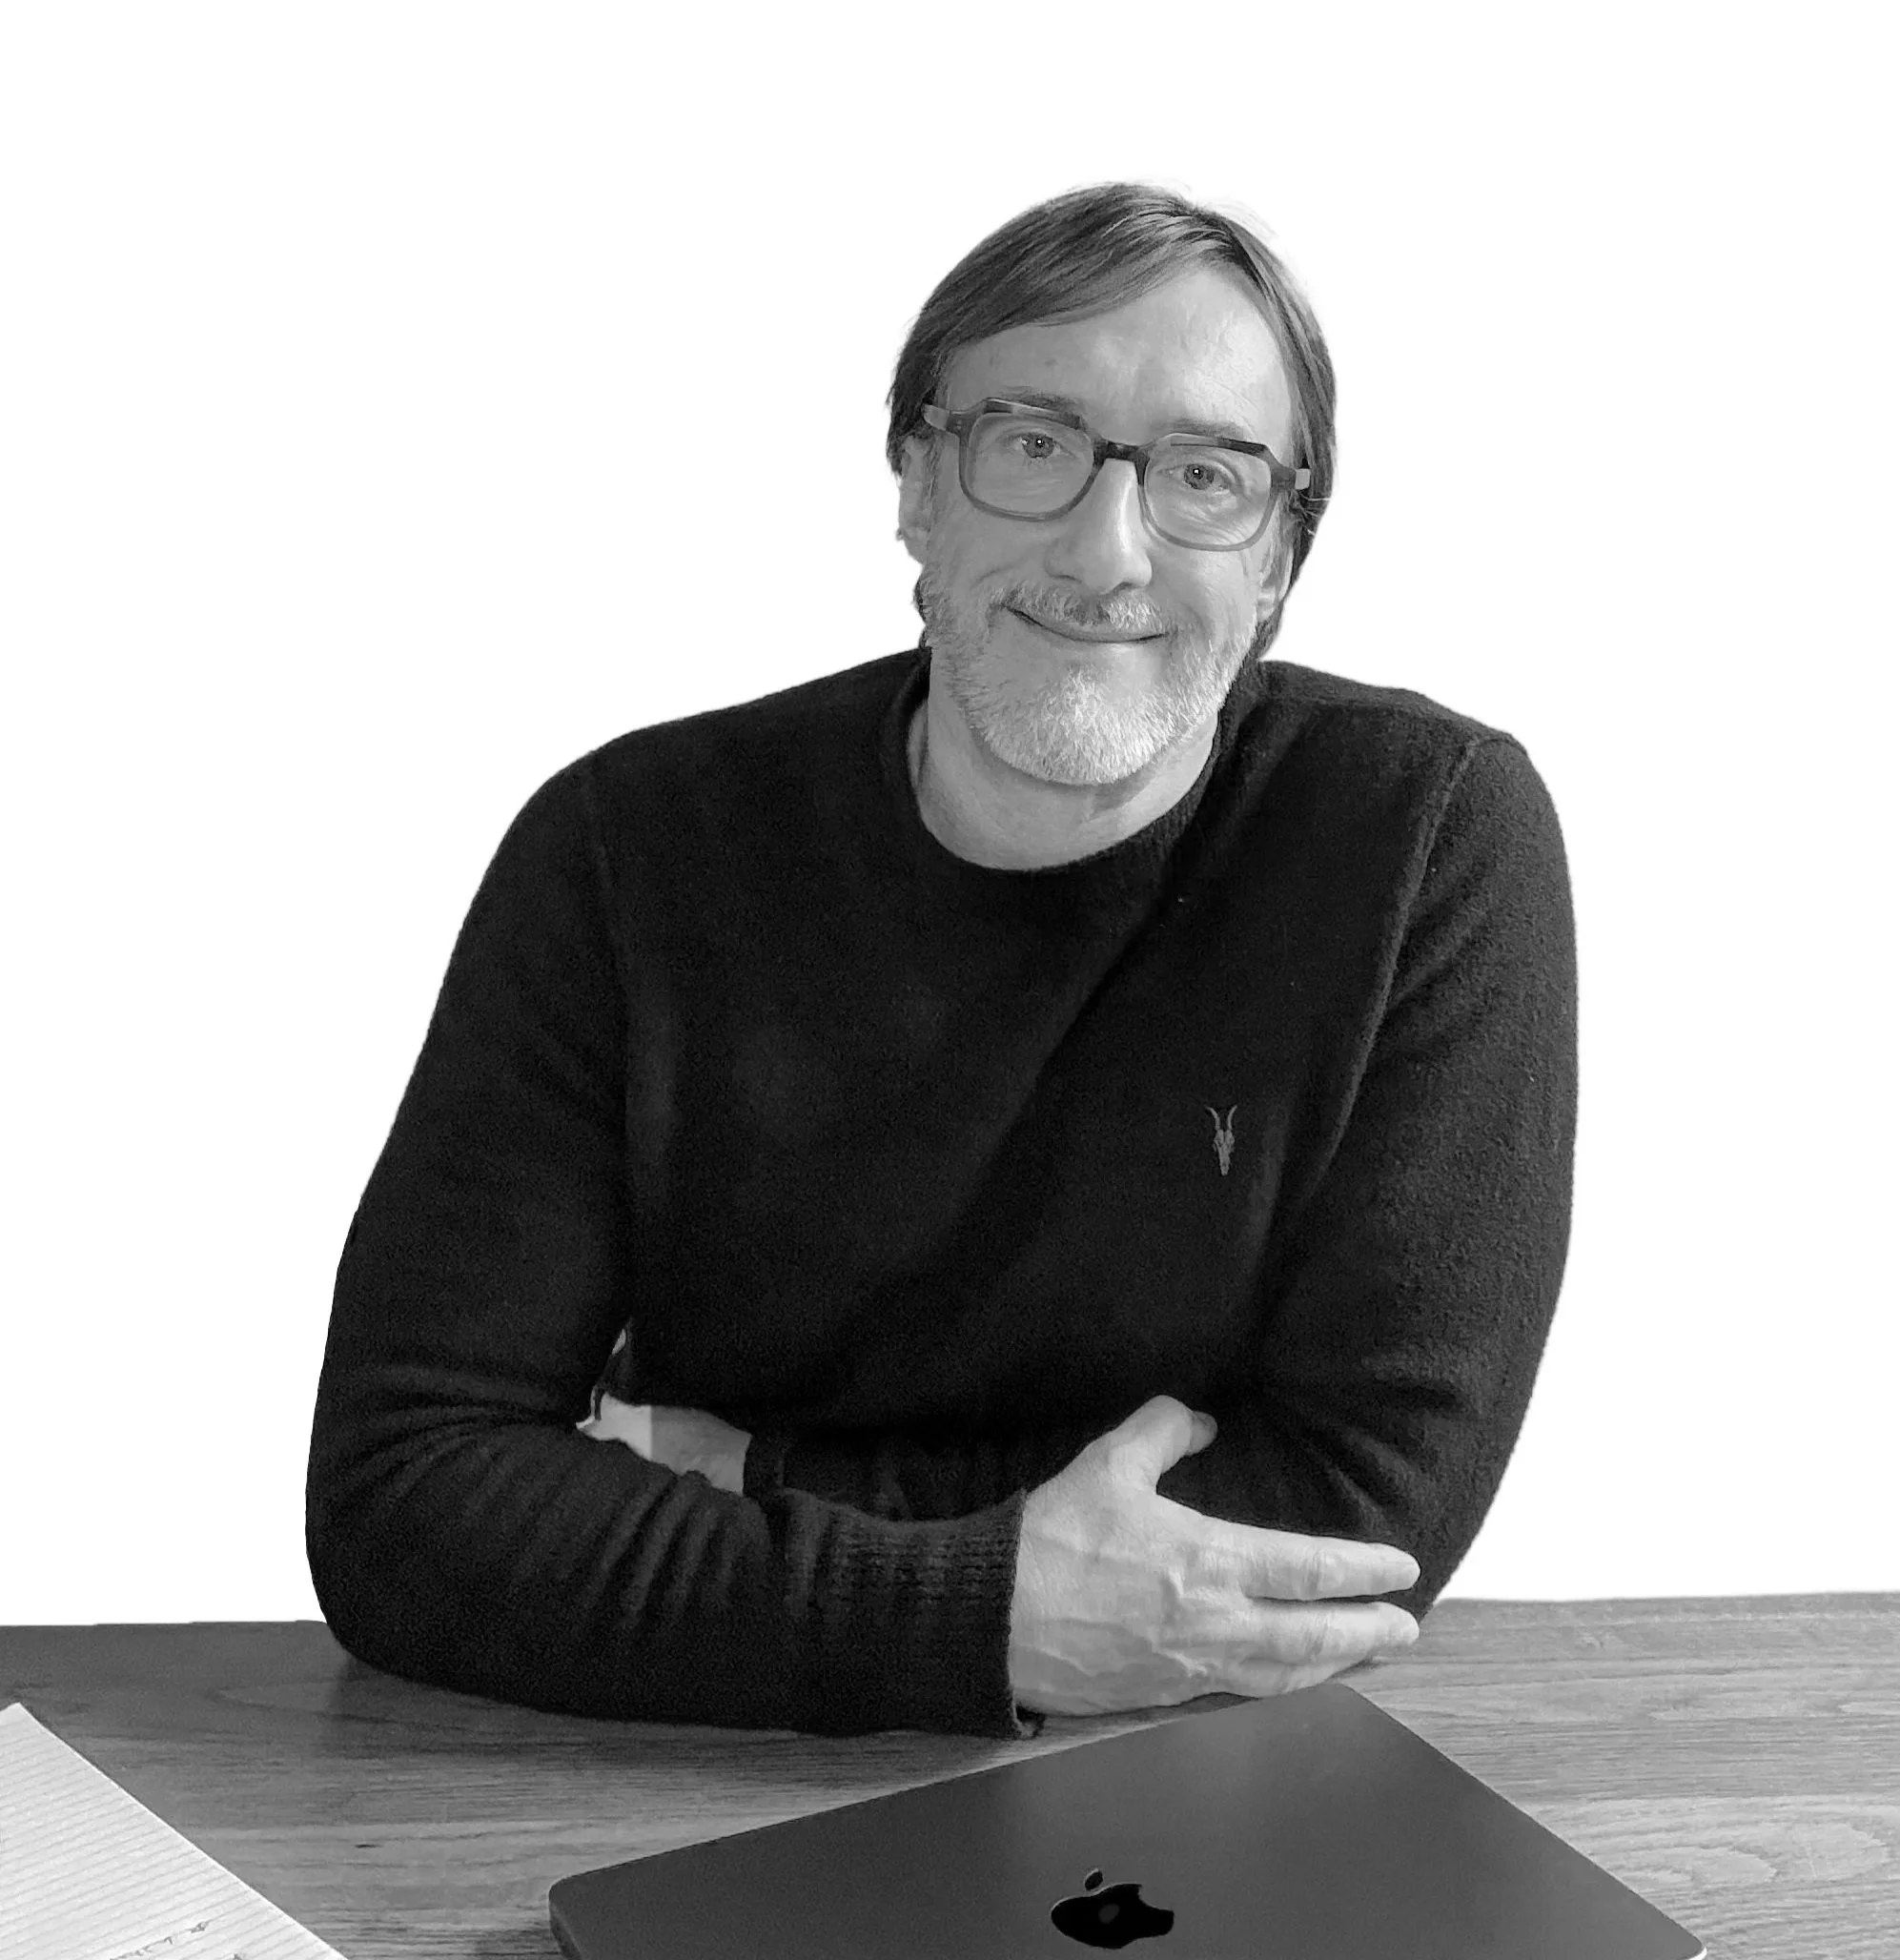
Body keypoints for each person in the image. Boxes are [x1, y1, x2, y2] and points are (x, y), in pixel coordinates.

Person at [307, 181, 1578, 1740]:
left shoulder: (1427, 841)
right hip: (674, 1775)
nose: (1108, 551)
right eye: (1033, 445)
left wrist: (756, 1481)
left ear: (1281, 562)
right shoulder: (625, 855)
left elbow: (1352, 1523)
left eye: (1205, 477)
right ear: (919, 483)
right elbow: (402, 1500)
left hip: (1189, 1785)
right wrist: (986, 1611)